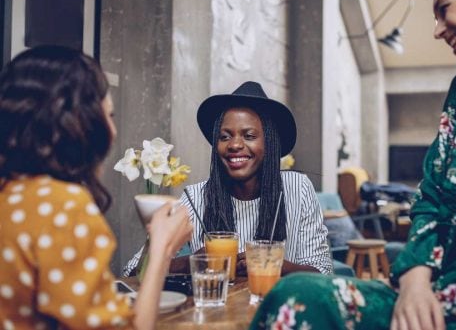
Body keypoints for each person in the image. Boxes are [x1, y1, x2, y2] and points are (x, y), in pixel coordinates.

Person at [250, 0, 456, 330]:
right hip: (426, 291)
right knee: (297, 295)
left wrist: (446, 294)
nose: (436, 30)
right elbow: (433, 195)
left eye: (444, 8)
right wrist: (416, 283)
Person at [0, 46, 192, 330]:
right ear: (83, 124)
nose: (113, 131)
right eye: (110, 116)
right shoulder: (63, 207)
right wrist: (162, 248)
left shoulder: (11, 195)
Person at [123, 81, 333, 276]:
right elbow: (132, 271)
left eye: (249, 136)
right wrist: (192, 262)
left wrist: (272, 263)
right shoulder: (196, 197)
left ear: (269, 143)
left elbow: (323, 271)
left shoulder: (297, 189)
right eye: (225, 136)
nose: (234, 145)